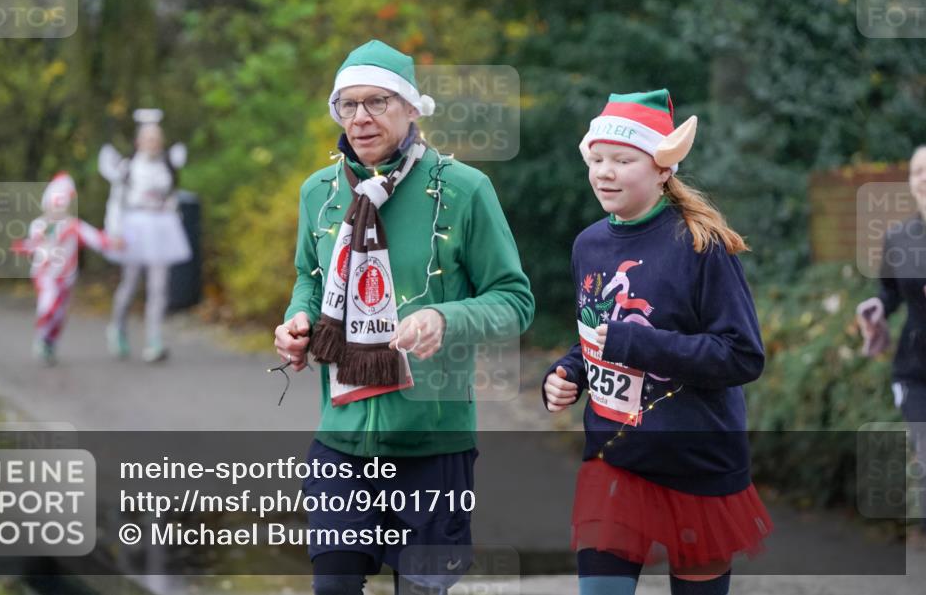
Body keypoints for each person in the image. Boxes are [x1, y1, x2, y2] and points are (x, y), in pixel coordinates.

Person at [274, 39, 534, 594]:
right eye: (349, 105)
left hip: (432, 447)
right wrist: (298, 320)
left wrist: (447, 318)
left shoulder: (464, 190)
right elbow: (309, 278)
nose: (361, 118)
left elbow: (515, 300)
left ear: (412, 108)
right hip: (341, 441)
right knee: (332, 587)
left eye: (378, 103)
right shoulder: (318, 192)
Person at [542, 90, 772, 595]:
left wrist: (638, 345)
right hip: (616, 455)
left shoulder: (700, 245)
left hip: (697, 459)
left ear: (663, 170)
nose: (605, 172)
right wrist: (566, 373)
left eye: (623, 161)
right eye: (596, 159)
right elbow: (595, 334)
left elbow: (742, 354)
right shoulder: (589, 244)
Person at [856, 144, 926, 548]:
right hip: (917, 371)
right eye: (918, 171)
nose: (923, 178)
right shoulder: (900, 239)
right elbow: (890, 292)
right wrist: (877, 307)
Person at [98, 108, 191, 363]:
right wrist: (114, 231)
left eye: (156, 139)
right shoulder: (128, 169)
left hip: (161, 228)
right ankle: (117, 326)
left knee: (158, 287)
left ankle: (154, 338)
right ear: (139, 141)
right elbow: (116, 201)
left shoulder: (167, 166)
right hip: (134, 228)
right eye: (148, 139)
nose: (153, 144)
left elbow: (171, 197)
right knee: (129, 284)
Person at [12, 172, 121, 364]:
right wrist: (25, 247)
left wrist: (112, 242)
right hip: (45, 276)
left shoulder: (74, 226)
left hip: (66, 278)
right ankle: (41, 339)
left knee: (60, 313)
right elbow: (37, 243)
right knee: (49, 305)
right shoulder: (39, 225)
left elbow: (95, 238)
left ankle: (49, 343)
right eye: (54, 205)